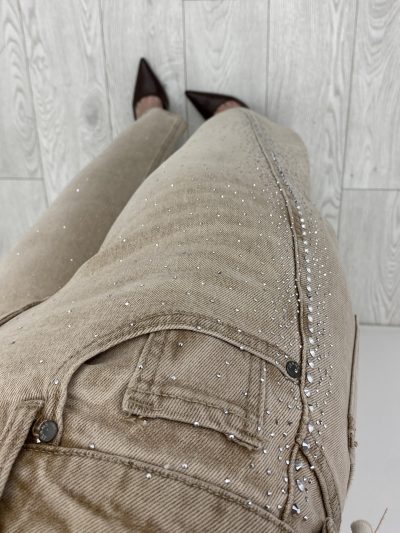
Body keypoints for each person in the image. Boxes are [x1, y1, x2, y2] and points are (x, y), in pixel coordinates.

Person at [0, 58, 372, 532]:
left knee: (87, 200)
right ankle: (234, 121)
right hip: (194, 465)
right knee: (238, 171)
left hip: (9, 361)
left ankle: (153, 122)